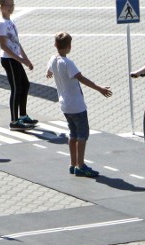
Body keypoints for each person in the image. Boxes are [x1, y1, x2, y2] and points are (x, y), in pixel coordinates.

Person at [46, 32, 112, 177]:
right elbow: (81, 78)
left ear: (55, 45)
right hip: (76, 105)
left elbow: (49, 70)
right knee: (82, 135)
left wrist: (49, 73)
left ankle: (72, 163)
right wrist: (99, 88)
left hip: (64, 104)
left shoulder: (53, 59)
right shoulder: (68, 63)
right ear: (69, 46)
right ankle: (80, 165)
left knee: (73, 133)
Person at [0, 0, 37, 131]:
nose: (10, 8)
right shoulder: (2, 24)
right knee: (16, 88)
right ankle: (14, 121)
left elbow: (16, 43)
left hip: (16, 59)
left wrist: (26, 59)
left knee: (25, 85)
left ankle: (23, 115)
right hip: (8, 59)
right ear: (1, 6)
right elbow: (3, 45)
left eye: (12, 5)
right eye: (8, 5)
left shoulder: (11, 22)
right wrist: (19, 59)